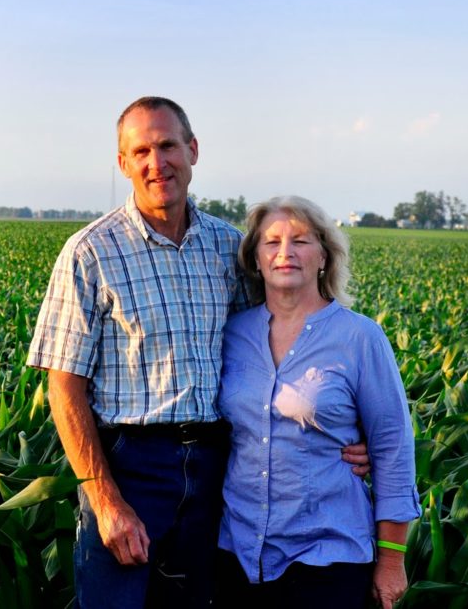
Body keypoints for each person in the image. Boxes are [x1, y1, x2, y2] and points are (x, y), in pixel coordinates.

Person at [28, 98, 369, 608]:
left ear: (192, 150)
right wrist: (104, 500)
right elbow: (64, 386)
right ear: (122, 163)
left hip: (218, 470)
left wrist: (345, 436)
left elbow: (283, 351)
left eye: (167, 145)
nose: (155, 162)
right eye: (140, 150)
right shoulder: (89, 252)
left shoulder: (230, 248)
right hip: (129, 466)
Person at [215, 196, 421, 609]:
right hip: (237, 552)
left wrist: (392, 561)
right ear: (255, 259)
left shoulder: (360, 337)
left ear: (324, 256)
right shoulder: (231, 333)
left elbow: (393, 450)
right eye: (272, 242)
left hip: (328, 555)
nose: (285, 253)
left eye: (301, 241)